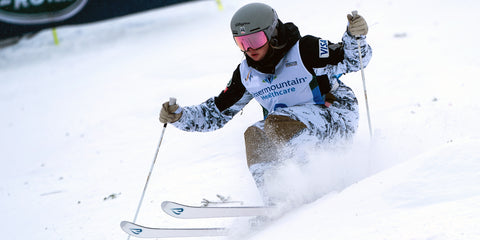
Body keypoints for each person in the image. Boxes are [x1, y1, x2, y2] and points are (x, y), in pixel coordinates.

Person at [160, 3, 372, 204]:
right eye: (242, 43)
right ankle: (276, 197)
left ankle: (317, 182)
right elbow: (216, 113)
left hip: (335, 116)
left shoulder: (305, 50)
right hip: (292, 128)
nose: (250, 49)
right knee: (255, 135)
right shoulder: (247, 74)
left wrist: (355, 37)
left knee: (276, 123)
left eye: (255, 40)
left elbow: (352, 60)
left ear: (272, 33)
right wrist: (180, 117)